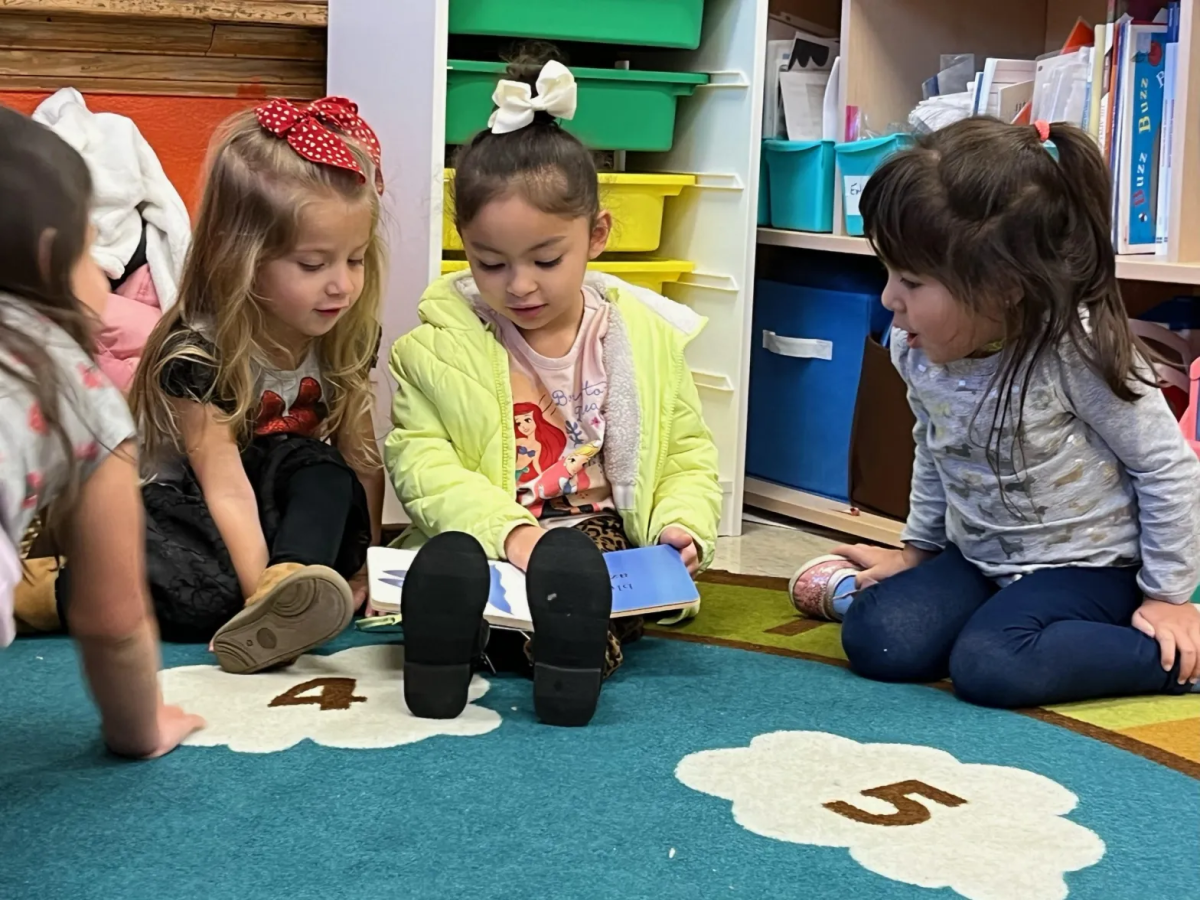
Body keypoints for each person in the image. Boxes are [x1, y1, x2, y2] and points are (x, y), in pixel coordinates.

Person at [789, 118, 1200, 708]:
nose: (888, 299)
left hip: (1093, 570)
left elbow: (1167, 469)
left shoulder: (1078, 350)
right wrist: (917, 551)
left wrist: (1167, 597)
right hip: (981, 558)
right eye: (886, 272)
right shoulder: (916, 349)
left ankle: (1178, 665)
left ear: (1004, 287)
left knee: (992, 665)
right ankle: (1003, 617)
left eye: (911, 280)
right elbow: (933, 446)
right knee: (881, 640)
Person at [385, 52, 722, 727]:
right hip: (487, 535)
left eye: (545, 259)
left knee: (579, 589)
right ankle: (456, 638)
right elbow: (421, 461)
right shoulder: (433, 348)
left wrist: (684, 526)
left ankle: (515, 651)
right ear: (464, 244)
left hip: (597, 538)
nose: (520, 286)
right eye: (490, 262)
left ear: (595, 235)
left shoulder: (643, 340)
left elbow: (687, 452)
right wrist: (510, 533)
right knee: (453, 573)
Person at [19, 97, 387, 676]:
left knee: (318, 465)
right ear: (242, 259)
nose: (341, 285)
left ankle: (291, 580)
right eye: (313, 265)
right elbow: (226, 488)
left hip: (280, 523)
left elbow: (361, 459)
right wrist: (257, 602)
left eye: (357, 260)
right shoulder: (197, 351)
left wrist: (365, 565)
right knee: (202, 596)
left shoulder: (346, 335)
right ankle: (45, 590)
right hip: (182, 508)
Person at [0, 106, 203, 757]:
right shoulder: (79, 388)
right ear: (52, 257)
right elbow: (112, 618)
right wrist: (141, 729)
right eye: (94, 249)